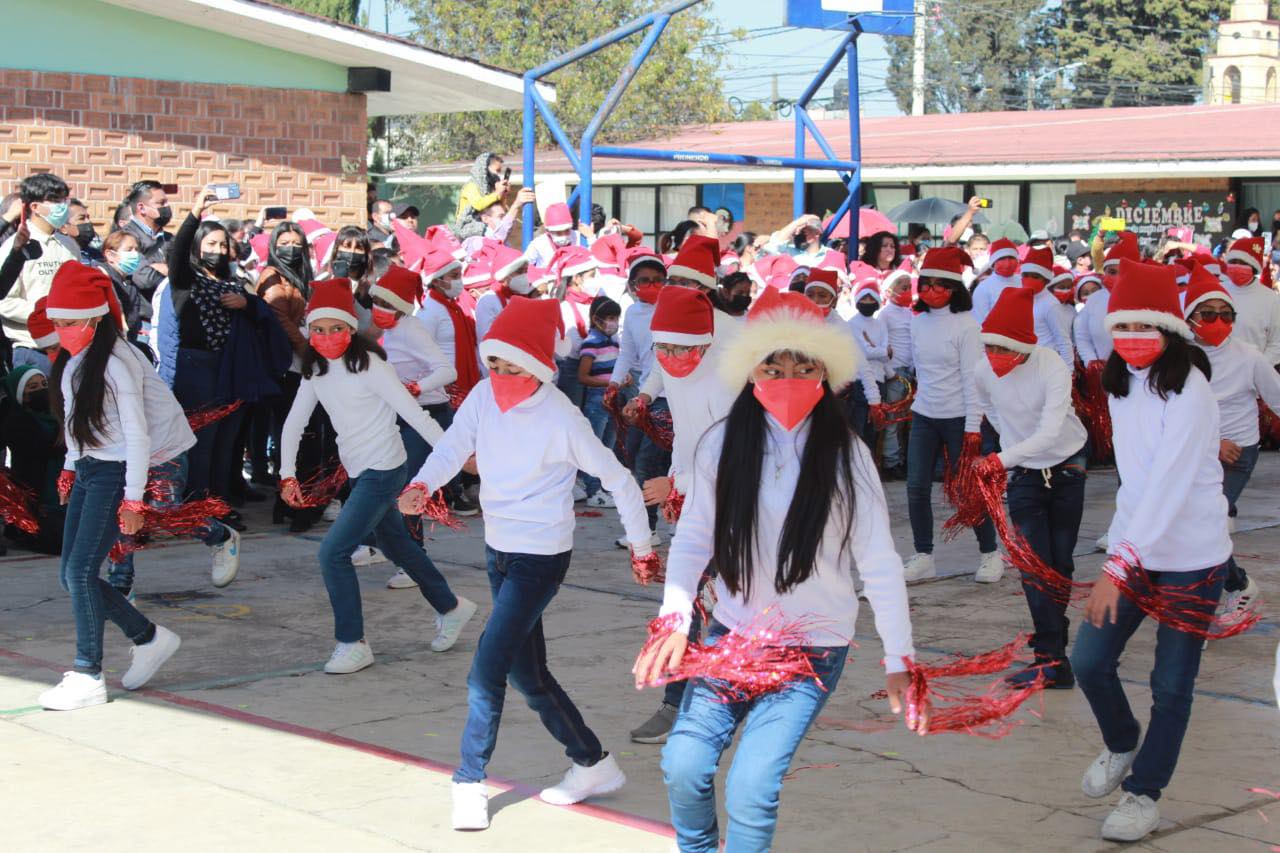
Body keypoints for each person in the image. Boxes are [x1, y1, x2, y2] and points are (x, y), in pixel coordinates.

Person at [633, 286, 919, 853]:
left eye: (803, 363)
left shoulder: (848, 453)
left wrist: (899, 656)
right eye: (773, 362)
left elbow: (880, 562)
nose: (787, 375)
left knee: (752, 785)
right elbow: (693, 536)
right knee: (684, 763)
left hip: (812, 647)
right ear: (750, 368)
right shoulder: (722, 443)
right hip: (733, 633)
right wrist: (674, 616)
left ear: (824, 372)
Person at [398, 295, 654, 831]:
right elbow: (451, 447)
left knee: (485, 670)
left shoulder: (563, 418)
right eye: (494, 363)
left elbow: (621, 482)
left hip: (542, 556)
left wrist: (642, 547)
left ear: (540, 365)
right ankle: (593, 764)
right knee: (527, 673)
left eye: (513, 365)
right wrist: (422, 483)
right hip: (499, 550)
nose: (501, 373)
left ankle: (469, 781)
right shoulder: (484, 398)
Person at [1071, 258, 1231, 842]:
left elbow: (1168, 483)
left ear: (1170, 331)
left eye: (1145, 328)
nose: (1132, 340)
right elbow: (1136, 484)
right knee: (1088, 661)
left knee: (1171, 684)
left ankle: (1143, 793)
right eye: (1122, 328)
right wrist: (1123, 548)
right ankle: (1120, 741)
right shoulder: (1122, 384)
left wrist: (1116, 564)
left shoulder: (1190, 387)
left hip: (1191, 558)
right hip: (1137, 546)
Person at [280, 279, 475, 674]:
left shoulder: (370, 365)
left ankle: (352, 643)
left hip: (384, 470)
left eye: (336, 328)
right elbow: (293, 423)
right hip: (359, 471)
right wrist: (286, 474)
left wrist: (457, 455)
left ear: (351, 330)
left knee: (332, 553)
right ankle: (451, 607)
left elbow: (415, 414)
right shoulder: (315, 370)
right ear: (309, 331)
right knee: (398, 546)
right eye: (319, 329)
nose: (328, 336)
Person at [38, 261, 188, 710]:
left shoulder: (121, 362)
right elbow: (73, 427)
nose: (62, 331)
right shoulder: (73, 365)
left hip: (116, 473)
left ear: (95, 318)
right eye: (57, 323)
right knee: (70, 574)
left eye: (69, 323)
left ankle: (88, 672)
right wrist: (69, 468)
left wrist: (133, 498)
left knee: (81, 573)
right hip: (88, 470)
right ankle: (147, 637)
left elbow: (137, 434)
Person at [627, 285, 739, 745]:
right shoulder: (675, 368)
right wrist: (678, 481)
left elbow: (734, 461)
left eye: (683, 349)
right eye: (664, 348)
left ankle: (696, 702)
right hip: (694, 499)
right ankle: (685, 701)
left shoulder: (725, 382)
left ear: (707, 344)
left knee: (709, 600)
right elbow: (688, 439)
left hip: (732, 503)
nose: (672, 357)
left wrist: (677, 485)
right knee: (689, 599)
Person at [972, 287, 1088, 688]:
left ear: (1024, 347)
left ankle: (1053, 651)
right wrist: (1009, 450)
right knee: (1033, 567)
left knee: (1060, 564)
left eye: (1004, 350)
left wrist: (1001, 458)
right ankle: (1050, 658)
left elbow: (1050, 431)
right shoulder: (983, 369)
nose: (994, 357)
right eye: (988, 348)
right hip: (1024, 476)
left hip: (1067, 468)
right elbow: (990, 409)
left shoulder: (1051, 365)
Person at [901, 246, 1002, 584]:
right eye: (925, 285)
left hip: (960, 417)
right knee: (916, 486)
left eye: (940, 285)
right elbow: (919, 370)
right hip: (925, 414)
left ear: (955, 289)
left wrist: (973, 427)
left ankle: (990, 553)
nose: (931, 292)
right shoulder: (917, 323)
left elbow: (972, 379)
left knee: (967, 490)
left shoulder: (967, 327)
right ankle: (923, 554)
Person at [1182, 265, 1276, 623]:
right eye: (1209, 314)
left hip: (1236, 453)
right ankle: (1236, 585)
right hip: (1195, 449)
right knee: (1190, 525)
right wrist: (1209, 442)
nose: (1218, 320)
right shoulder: (1179, 355)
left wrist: (1221, 444)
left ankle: (1203, 609)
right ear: (1190, 318)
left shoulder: (1248, 356)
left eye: (1226, 314)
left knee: (1203, 525)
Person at [161, 185, 252, 514]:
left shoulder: (234, 281)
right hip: (196, 367)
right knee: (203, 440)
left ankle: (219, 501)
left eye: (223, 244)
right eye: (210, 243)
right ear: (198, 248)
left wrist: (246, 305)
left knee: (227, 443)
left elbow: (261, 318)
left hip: (230, 368)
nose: (218, 249)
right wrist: (195, 211)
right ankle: (198, 504)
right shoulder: (186, 278)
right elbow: (177, 251)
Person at [370, 263, 457, 586]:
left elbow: (448, 371)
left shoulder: (412, 329)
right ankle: (374, 544)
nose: (380, 310)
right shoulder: (389, 329)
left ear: (403, 307)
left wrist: (418, 388)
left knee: (410, 488)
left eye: (389, 305)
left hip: (427, 415)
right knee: (378, 479)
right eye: (377, 301)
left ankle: (413, 560)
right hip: (399, 414)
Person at [413, 247, 481, 516]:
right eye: (453, 275)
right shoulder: (430, 311)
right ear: (438, 279)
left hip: (463, 385)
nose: (458, 281)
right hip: (445, 389)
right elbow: (421, 352)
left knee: (462, 440)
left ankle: (457, 490)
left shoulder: (455, 308)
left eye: (459, 274)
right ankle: (447, 494)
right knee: (448, 444)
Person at [0, 172, 80, 371]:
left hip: (70, 345)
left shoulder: (69, 245)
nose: (63, 206)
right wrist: (47, 314)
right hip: (33, 348)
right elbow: (5, 301)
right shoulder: (15, 247)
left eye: (64, 199)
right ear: (34, 207)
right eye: (54, 200)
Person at [1, 360, 65, 554]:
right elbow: (43, 448)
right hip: (38, 494)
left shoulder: (55, 415)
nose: (41, 390)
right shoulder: (16, 420)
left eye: (44, 385)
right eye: (33, 387)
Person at [576, 295, 622, 509]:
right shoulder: (592, 343)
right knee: (594, 446)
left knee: (607, 447)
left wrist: (622, 378)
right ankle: (592, 489)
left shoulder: (614, 342)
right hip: (598, 400)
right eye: (610, 318)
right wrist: (607, 383)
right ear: (597, 319)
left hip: (613, 400)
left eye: (616, 317)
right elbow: (583, 376)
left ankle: (603, 487)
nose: (613, 322)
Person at [550, 244, 600, 409]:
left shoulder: (595, 299)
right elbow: (572, 342)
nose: (596, 280)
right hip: (572, 366)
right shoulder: (563, 306)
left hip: (594, 363)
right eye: (592, 275)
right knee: (575, 411)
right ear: (577, 278)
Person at [1220, 236, 1280, 365]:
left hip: (1255, 376)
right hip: (1220, 370)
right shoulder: (1218, 291)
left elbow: (1276, 344)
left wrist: (1256, 368)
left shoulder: (1271, 300)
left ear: (1253, 266)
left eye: (1242, 263)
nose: (1237, 266)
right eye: (1233, 261)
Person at [877, 269, 914, 479]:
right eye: (903, 287)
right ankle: (891, 462)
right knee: (892, 419)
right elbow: (882, 344)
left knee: (904, 421)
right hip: (894, 374)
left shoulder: (910, 313)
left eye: (909, 287)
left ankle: (902, 459)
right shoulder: (885, 314)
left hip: (908, 373)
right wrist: (889, 372)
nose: (908, 291)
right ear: (890, 291)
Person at [1019, 245, 1076, 367]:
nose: (1029, 279)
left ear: (1045, 279)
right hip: (1027, 363)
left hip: (1047, 364)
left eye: (1035, 277)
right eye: (1026, 275)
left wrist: (1069, 371)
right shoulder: (1023, 298)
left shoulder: (1051, 304)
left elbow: (1063, 340)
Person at [122, 179, 175, 305]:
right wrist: (173, 273)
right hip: (143, 317)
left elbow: (186, 272)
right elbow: (144, 278)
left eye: (167, 202)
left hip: (168, 312)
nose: (167, 207)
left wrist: (164, 269)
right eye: (161, 203)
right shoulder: (126, 237)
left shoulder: (170, 238)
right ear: (142, 208)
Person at [98, 230, 148, 346]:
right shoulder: (103, 278)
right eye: (129, 250)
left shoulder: (129, 282)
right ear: (110, 255)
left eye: (136, 249)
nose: (135, 254)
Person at [454, 153, 510, 234]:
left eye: (500, 172)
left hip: (486, 225)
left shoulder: (491, 188)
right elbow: (478, 204)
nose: (498, 175)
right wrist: (497, 194)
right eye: (497, 171)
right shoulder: (471, 185)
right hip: (466, 227)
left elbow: (499, 209)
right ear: (484, 169)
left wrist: (503, 195)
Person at [970, 237, 1021, 324]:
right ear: (993, 262)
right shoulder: (983, 288)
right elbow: (980, 321)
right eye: (1002, 258)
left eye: (1011, 258)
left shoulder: (1024, 281)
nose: (1007, 263)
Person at [524, 201, 588, 268]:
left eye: (567, 231)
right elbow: (524, 266)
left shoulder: (579, 237)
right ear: (548, 231)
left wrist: (591, 238)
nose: (564, 236)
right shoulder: (538, 244)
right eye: (558, 233)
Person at [764, 213, 828, 265]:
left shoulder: (829, 255)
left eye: (803, 231)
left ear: (817, 233)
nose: (797, 234)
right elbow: (773, 245)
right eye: (795, 232)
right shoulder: (788, 253)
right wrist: (797, 223)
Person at [63, 200, 101, 264]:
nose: (88, 222)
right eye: (81, 218)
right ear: (63, 228)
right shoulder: (59, 256)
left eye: (88, 218)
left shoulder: (97, 255)